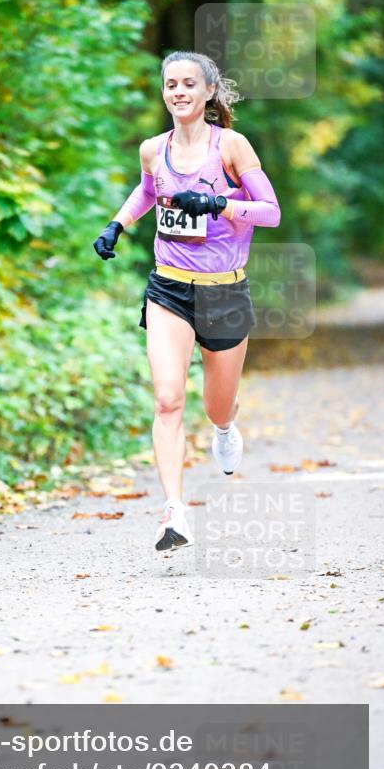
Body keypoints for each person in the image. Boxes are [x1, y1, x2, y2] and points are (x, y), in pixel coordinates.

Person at [93, 50, 280, 554]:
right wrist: (117, 224)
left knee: (217, 405)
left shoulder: (231, 146)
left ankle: (224, 426)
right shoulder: (153, 149)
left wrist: (219, 202)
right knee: (167, 398)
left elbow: (270, 212)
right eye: (170, 84)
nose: (178, 92)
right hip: (169, 288)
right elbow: (146, 192)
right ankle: (174, 511)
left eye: (188, 84)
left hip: (225, 292)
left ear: (208, 91)